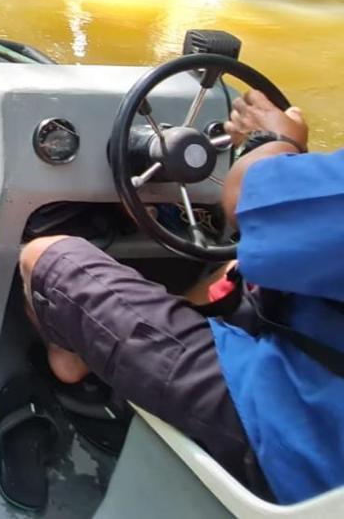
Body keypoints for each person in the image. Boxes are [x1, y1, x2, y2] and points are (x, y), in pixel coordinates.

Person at [19, 89, 344, 505]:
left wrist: (274, 141)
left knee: (46, 255)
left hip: (290, 436)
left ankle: (69, 360)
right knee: (237, 270)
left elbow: (246, 198)